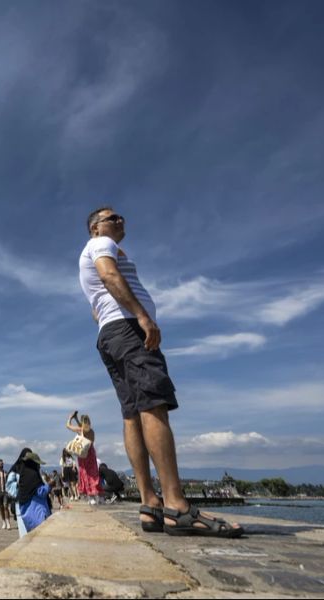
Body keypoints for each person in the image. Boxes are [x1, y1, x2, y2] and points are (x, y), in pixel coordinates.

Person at [79, 206, 243, 537]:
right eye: (113, 218)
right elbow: (110, 276)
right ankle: (176, 506)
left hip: (109, 335)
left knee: (132, 414)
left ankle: (150, 503)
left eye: (122, 216)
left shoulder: (88, 255)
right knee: (153, 403)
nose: (121, 220)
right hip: (127, 330)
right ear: (95, 228)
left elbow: (97, 311)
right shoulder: (100, 246)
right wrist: (142, 316)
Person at [66, 412, 102, 504]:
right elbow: (83, 429)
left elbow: (68, 426)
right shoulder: (91, 431)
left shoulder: (80, 429)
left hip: (83, 454)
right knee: (93, 474)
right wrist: (76, 419)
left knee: (85, 474)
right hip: (91, 453)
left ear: (82, 423)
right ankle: (95, 495)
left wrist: (70, 418)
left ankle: (90, 496)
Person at [16, 452, 50, 535]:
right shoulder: (34, 475)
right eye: (37, 464)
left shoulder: (23, 475)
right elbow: (41, 492)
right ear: (33, 463)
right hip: (37, 514)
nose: (39, 466)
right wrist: (49, 485)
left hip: (27, 515)